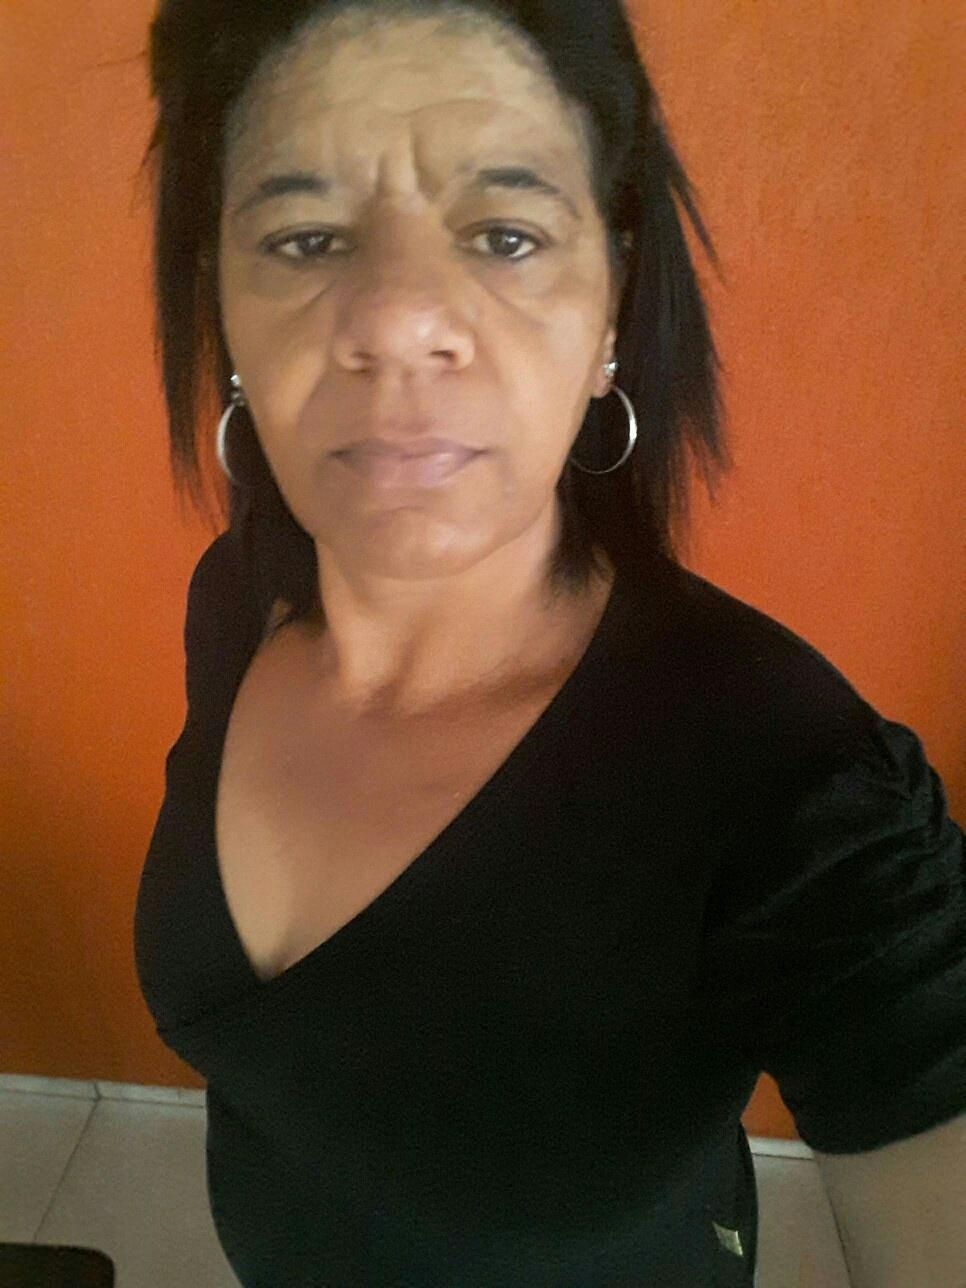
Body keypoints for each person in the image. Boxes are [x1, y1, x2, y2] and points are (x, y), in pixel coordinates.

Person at [133, 2, 965, 1284]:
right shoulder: (234, 602)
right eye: (306, 238)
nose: (397, 319)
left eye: (507, 235)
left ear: (613, 313)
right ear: (224, 306)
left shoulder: (794, 785)